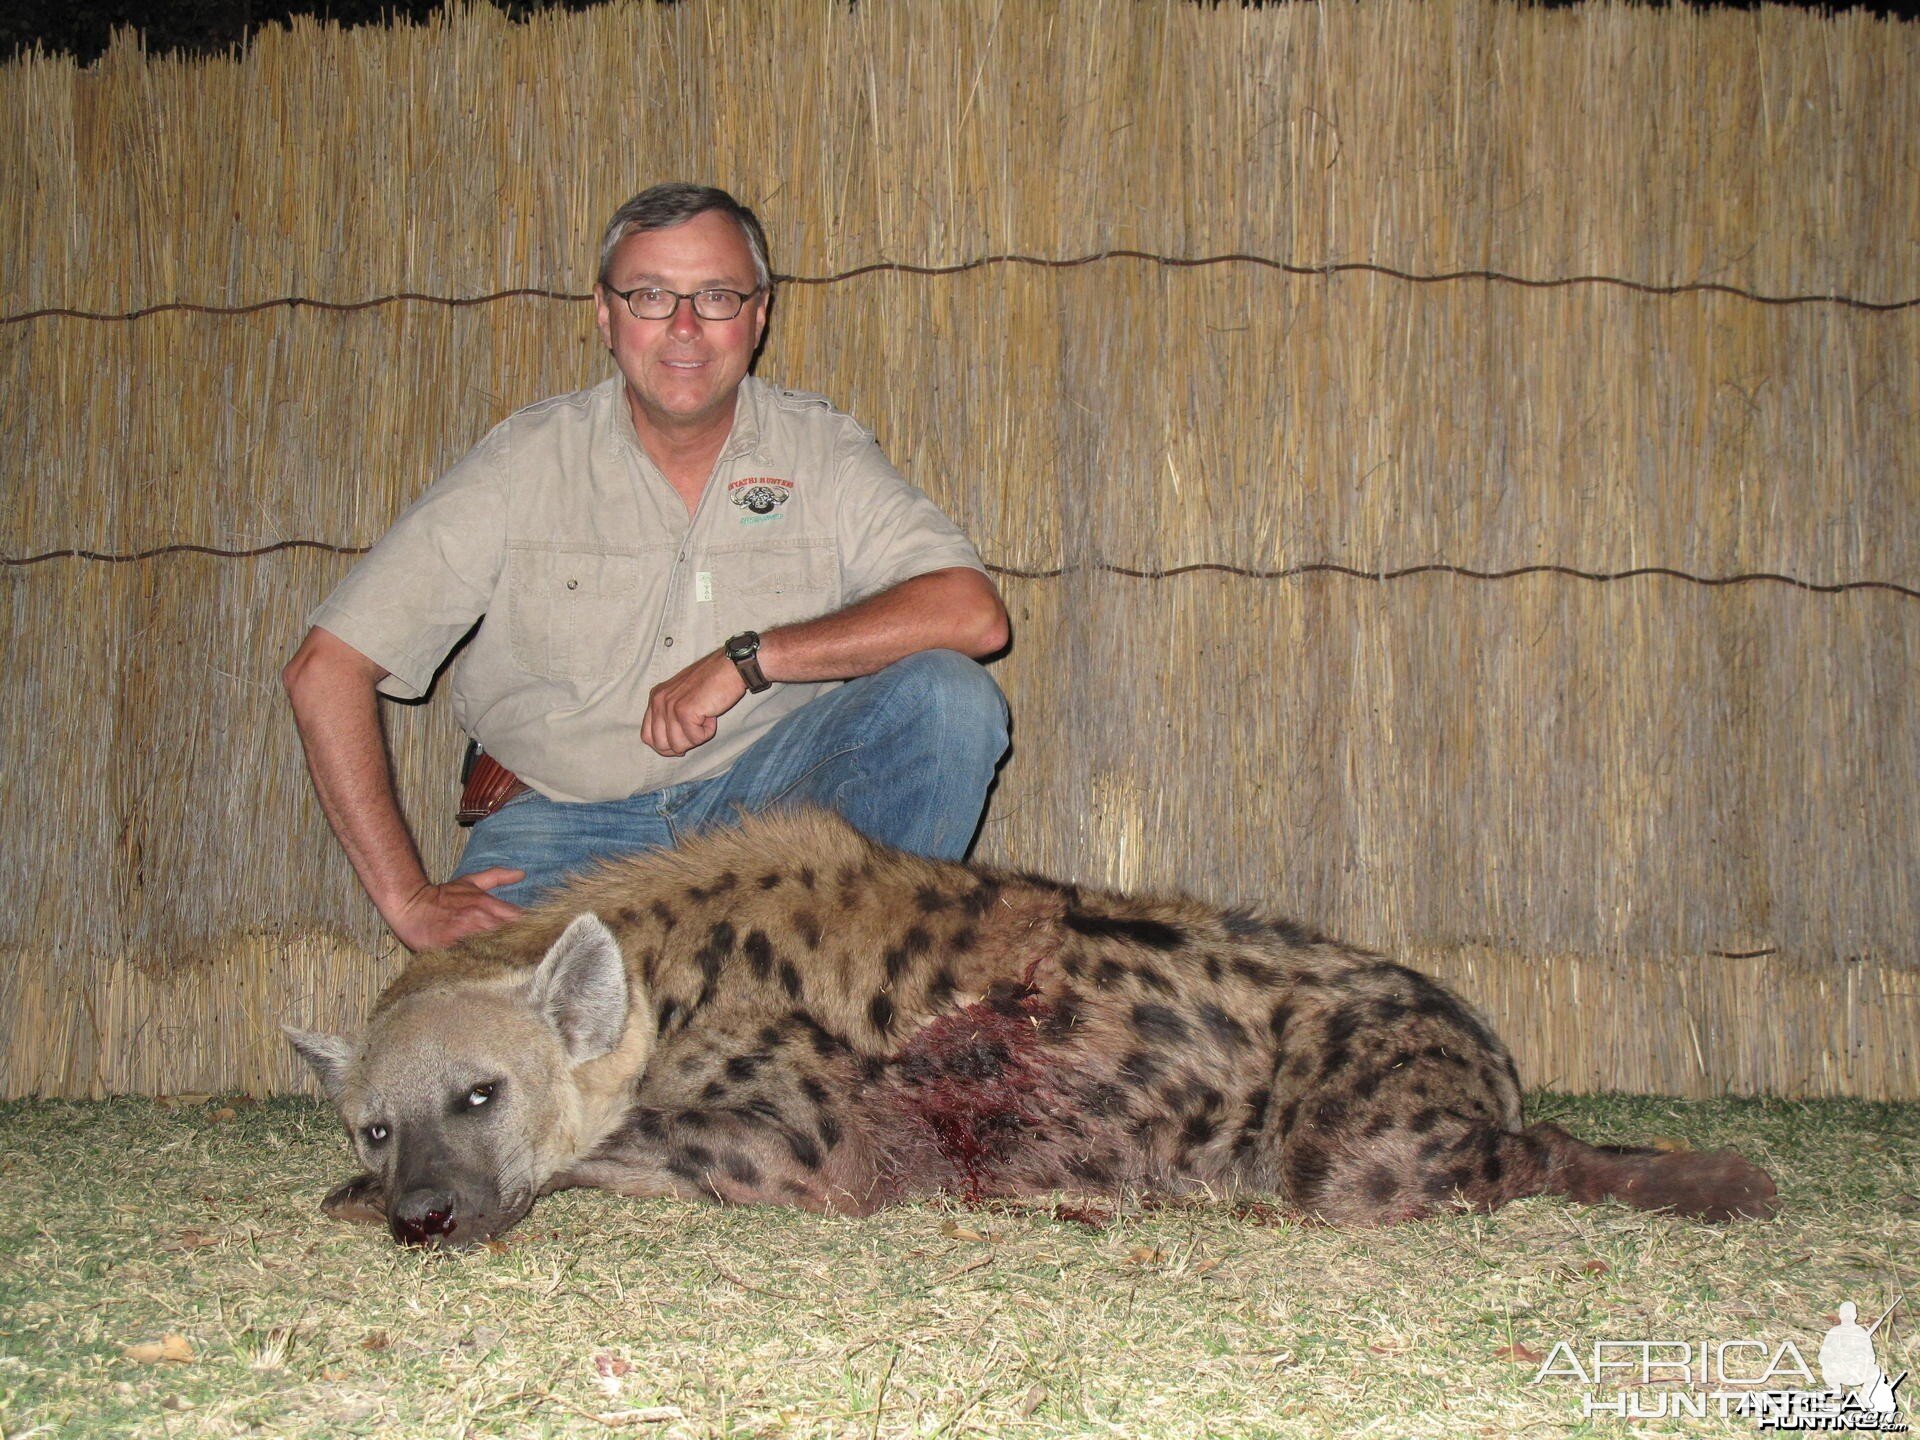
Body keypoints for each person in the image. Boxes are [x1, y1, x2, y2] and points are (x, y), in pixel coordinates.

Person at [282, 184, 1010, 953]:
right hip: (560, 829)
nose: (686, 328)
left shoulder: (821, 454)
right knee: (488, 1043)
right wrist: (410, 900)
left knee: (950, 699)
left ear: (759, 314)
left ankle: (858, 992)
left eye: (718, 296)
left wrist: (753, 659)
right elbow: (325, 669)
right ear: (605, 313)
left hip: (770, 820)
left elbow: (971, 614)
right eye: (652, 295)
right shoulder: (522, 464)